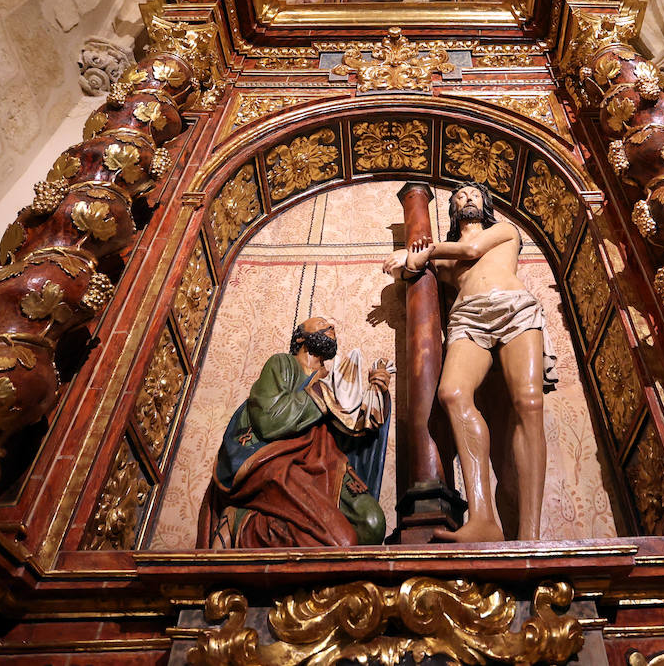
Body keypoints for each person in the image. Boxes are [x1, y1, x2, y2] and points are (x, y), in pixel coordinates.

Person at [383, 183, 555, 542]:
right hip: (468, 318)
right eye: (459, 197)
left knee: (528, 402)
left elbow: (469, 248)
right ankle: (482, 519)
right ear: (453, 211)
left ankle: (531, 534)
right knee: (452, 393)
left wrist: (419, 252)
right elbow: (414, 270)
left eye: (473, 194)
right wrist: (410, 262)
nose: (467, 199)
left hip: (514, 307)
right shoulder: (445, 258)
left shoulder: (503, 231)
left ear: (486, 203)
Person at [197, 316, 392, 548]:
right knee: (343, 540)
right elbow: (270, 421)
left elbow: (348, 436)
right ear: (300, 336)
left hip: (326, 461)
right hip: (281, 460)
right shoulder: (282, 364)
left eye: (332, 325)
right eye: (321, 323)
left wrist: (376, 393)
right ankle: (240, 523)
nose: (331, 326)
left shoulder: (333, 380)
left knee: (371, 525)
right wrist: (323, 392)